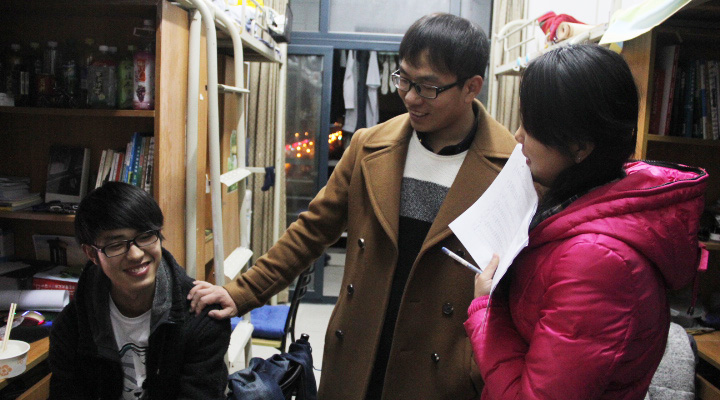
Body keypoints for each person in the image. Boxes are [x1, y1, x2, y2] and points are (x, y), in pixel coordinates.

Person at [189, 13, 517, 399]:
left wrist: (474, 365)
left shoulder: (511, 168)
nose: (410, 96)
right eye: (404, 78)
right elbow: (313, 229)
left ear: (471, 87)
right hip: (361, 347)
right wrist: (242, 291)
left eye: (427, 87)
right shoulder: (368, 146)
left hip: (440, 363)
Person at [465, 44, 708, 399]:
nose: (517, 136)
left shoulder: (597, 262)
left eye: (531, 126)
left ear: (580, 146)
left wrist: (485, 310)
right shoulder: (586, 203)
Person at [49, 182, 231, 399]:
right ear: (91, 254)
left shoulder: (201, 316)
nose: (135, 254)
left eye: (145, 236)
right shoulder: (72, 325)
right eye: (116, 245)